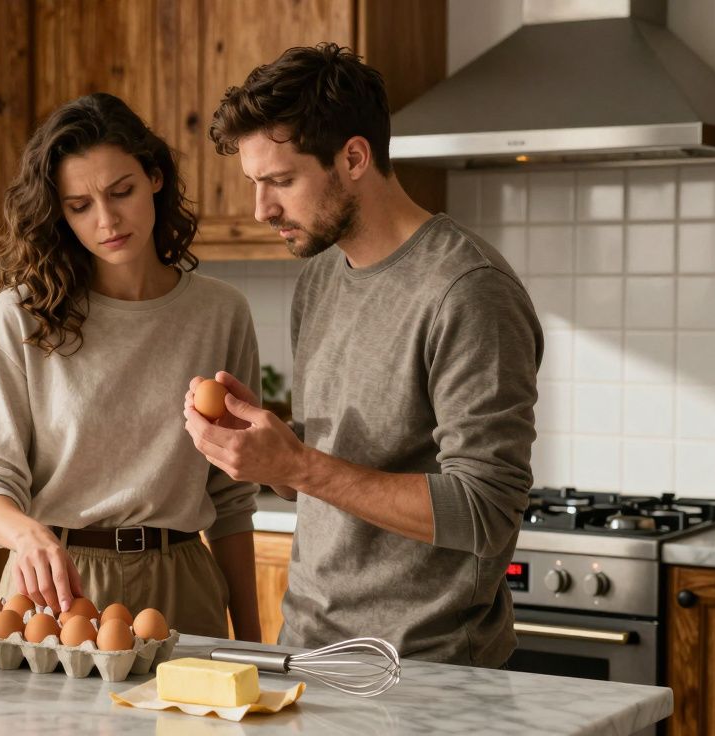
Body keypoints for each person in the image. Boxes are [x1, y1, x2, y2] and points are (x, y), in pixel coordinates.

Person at [182, 43, 543, 667]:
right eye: (254, 184)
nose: (261, 210)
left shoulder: (468, 290)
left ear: (354, 157)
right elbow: (343, 457)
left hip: (430, 670)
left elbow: (486, 512)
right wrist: (265, 448)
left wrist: (296, 465)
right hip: (312, 651)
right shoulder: (320, 276)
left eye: (281, 182)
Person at [0, 92, 263, 641]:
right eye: (79, 206)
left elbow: (232, 495)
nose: (107, 220)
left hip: (184, 582)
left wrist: (254, 641)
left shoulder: (220, 313)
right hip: (56, 586)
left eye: (122, 192)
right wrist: (26, 534)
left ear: (154, 178)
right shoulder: (23, 316)